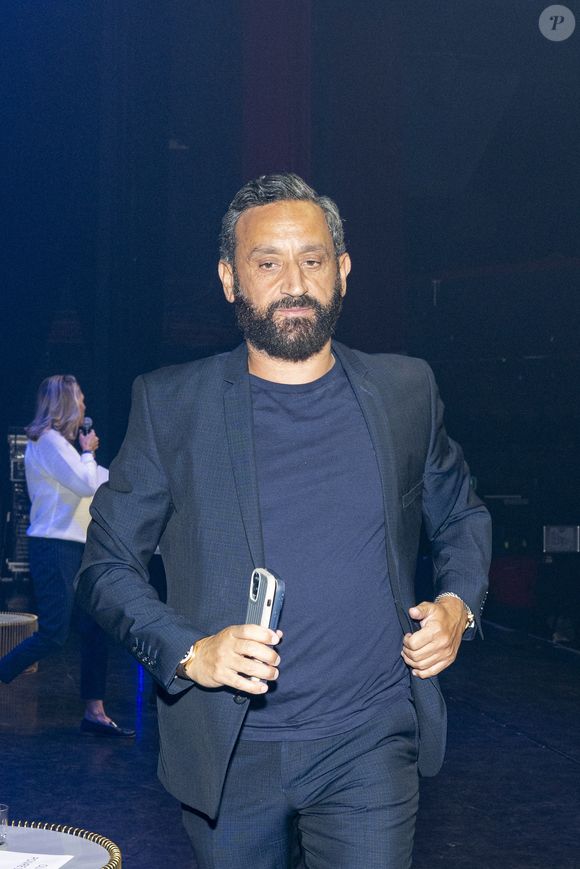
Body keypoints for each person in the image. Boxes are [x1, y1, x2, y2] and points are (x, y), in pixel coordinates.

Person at [76, 174, 491, 867]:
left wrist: (458, 605)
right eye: (267, 262)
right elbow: (105, 567)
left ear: (343, 270)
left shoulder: (405, 391)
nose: (294, 283)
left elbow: (461, 513)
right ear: (230, 279)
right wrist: (192, 652)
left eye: (313, 259)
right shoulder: (172, 405)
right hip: (230, 754)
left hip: (369, 743)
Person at [0, 375, 134, 739]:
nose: (85, 406)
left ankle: (95, 711)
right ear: (65, 403)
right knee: (54, 633)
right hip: (54, 546)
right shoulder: (47, 441)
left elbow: (96, 481)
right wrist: (88, 451)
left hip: (76, 546)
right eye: (81, 399)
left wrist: (126, 482)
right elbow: (85, 483)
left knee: (94, 628)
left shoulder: (62, 447)